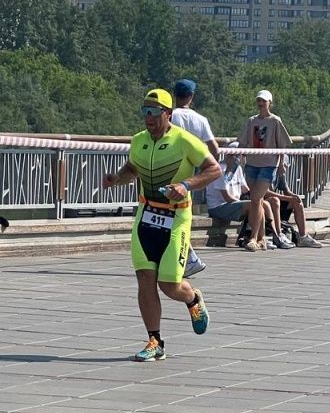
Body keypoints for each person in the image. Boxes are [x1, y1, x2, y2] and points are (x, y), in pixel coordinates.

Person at [102, 88, 222, 362]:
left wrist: (185, 185)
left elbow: (214, 169)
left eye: (154, 113)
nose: (149, 118)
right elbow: (132, 169)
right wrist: (116, 179)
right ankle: (154, 341)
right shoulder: (139, 141)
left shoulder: (185, 141)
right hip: (145, 217)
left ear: (167, 114)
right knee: (145, 280)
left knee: (169, 285)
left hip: (176, 219)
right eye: (145, 112)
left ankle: (192, 299)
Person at [168, 78, 221, 278]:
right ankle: (186, 258)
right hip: (190, 176)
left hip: (168, 170)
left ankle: (188, 259)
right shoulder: (200, 120)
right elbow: (215, 149)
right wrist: (203, 171)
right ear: (191, 96)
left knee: (169, 217)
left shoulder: (169, 115)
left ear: (174, 95)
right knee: (180, 216)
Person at [237, 89, 293, 252]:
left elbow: (282, 144)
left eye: (264, 101)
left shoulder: (275, 121)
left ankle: (253, 237)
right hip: (252, 163)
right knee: (258, 201)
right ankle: (261, 238)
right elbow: (242, 141)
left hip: (268, 165)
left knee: (255, 198)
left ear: (270, 103)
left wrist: (281, 162)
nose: (261, 104)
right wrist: (241, 155)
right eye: (259, 101)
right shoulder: (251, 121)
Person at [206, 141, 283, 251]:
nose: (242, 158)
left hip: (232, 204)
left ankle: (265, 238)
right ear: (232, 155)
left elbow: (246, 190)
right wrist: (246, 202)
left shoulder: (238, 169)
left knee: (263, 203)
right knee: (252, 204)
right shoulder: (220, 170)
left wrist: (262, 191)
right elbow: (226, 198)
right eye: (241, 155)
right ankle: (254, 238)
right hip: (218, 207)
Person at [265, 174, 324, 248]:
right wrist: (288, 198)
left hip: (278, 204)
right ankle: (278, 234)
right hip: (264, 204)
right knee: (275, 200)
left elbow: (287, 191)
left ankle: (303, 236)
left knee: (297, 203)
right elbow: (266, 193)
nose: (285, 166)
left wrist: (294, 196)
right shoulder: (267, 170)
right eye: (283, 164)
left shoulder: (279, 175)